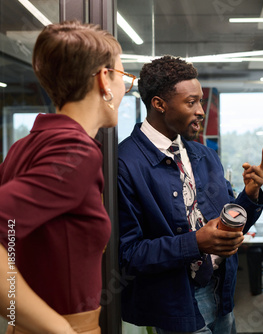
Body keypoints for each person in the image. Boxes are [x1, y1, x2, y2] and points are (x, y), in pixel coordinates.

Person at [117, 55, 263, 333]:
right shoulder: (125, 163)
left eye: (200, 100)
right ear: (159, 104)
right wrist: (196, 243)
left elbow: (228, 226)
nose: (201, 111)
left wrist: (250, 195)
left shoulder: (205, 155)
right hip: (176, 302)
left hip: (221, 293)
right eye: (191, 102)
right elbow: (128, 255)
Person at [0, 21, 127, 332]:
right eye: (125, 77)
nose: (126, 87)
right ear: (104, 79)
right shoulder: (76, 152)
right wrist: (59, 328)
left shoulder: (24, 146)